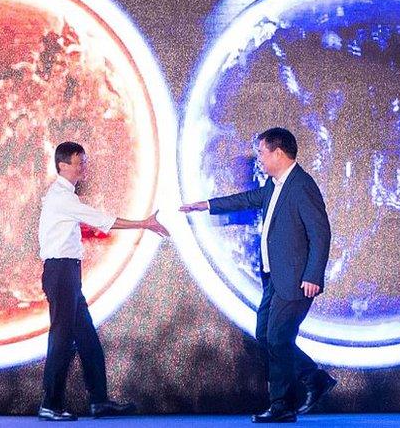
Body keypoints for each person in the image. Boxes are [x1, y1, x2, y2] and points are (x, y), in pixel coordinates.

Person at [181, 127, 336, 423]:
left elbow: (321, 233)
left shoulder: (301, 185)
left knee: (278, 337)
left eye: (262, 153)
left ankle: (282, 406)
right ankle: (314, 378)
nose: (259, 160)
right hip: (274, 279)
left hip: (295, 279)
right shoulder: (275, 185)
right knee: (266, 335)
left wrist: (313, 275)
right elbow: (247, 199)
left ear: (278, 153)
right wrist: (207, 204)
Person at [38, 141, 168, 421]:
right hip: (61, 272)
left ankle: (99, 401)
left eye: (83, 161)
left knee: (87, 339)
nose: (83, 166)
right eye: (78, 161)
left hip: (68, 273)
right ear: (63, 165)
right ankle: (50, 404)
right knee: (61, 339)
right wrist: (143, 223)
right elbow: (101, 220)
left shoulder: (64, 196)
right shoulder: (62, 197)